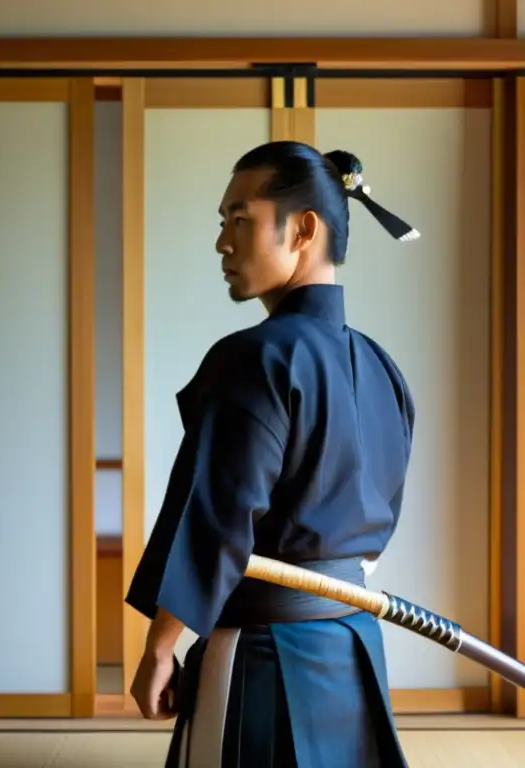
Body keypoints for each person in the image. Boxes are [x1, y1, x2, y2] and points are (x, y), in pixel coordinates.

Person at [125, 140, 419, 767]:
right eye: (221, 223)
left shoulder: (254, 358)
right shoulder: (381, 366)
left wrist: (159, 648)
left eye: (239, 220)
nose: (222, 243)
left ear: (304, 229)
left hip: (263, 653)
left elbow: (215, 521)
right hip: (354, 644)